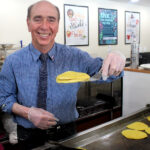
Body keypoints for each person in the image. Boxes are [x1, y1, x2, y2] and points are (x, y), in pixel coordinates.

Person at [0, 0, 125, 149]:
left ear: (58, 25)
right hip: (27, 136)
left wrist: (116, 61)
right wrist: (28, 113)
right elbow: (3, 97)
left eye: (51, 20)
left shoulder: (76, 56)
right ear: (28, 23)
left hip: (67, 134)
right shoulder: (13, 61)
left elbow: (104, 74)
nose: (44, 26)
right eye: (37, 19)